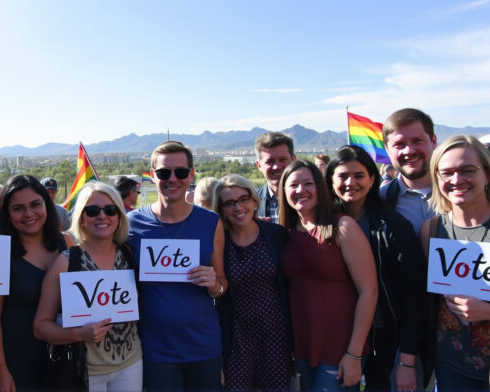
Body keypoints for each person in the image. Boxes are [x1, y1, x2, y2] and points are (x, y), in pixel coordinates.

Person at [325, 145, 427, 391]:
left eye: (358, 175)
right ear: (330, 181)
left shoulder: (392, 226)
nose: (350, 182)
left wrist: (407, 358)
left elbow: (415, 292)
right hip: (336, 333)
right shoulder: (322, 224)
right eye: (342, 176)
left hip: (383, 336)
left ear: (373, 179)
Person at [127, 141, 227, 391]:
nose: (173, 179)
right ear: (152, 175)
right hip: (156, 350)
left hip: (204, 346)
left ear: (191, 175)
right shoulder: (131, 224)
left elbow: (222, 283)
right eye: (163, 173)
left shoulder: (210, 222)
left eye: (181, 172)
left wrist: (215, 285)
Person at [34, 182, 143, 392]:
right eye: (92, 211)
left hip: (131, 364)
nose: (102, 216)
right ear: (81, 218)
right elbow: (40, 327)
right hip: (84, 371)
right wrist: (78, 334)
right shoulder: (66, 263)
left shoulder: (129, 254)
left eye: (110, 210)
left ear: (119, 216)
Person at [279, 159, 377, 391]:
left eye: (308, 183)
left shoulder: (342, 227)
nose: (300, 190)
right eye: (293, 185)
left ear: (321, 188)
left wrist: (353, 353)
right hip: (304, 346)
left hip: (340, 348)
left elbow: (369, 291)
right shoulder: (288, 232)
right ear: (284, 192)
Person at [419, 135, 490, 391]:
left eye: (467, 170)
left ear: (487, 175)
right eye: (446, 173)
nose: (456, 180)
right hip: (451, 368)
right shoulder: (431, 230)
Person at [0, 175, 65, 391]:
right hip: (16, 361)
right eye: (18, 208)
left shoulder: (66, 242)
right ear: (7, 214)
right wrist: (1, 369)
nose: (29, 214)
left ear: (47, 204)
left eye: (35, 204)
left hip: (62, 358)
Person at [213, 174, 292, 391]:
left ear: (255, 201)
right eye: (229, 203)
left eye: (244, 199)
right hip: (237, 335)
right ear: (220, 209)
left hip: (275, 333)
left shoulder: (275, 234)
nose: (238, 207)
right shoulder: (220, 241)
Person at [379, 108, 437, 235]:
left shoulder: (461, 193)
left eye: (417, 141)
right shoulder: (379, 202)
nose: (409, 151)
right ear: (387, 150)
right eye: (399, 144)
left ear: (433, 141)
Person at [254, 132, 296, 221]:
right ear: (259, 165)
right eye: (270, 161)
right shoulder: (252, 202)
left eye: (283, 159)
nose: (277, 166)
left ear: (293, 160)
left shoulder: (309, 198)